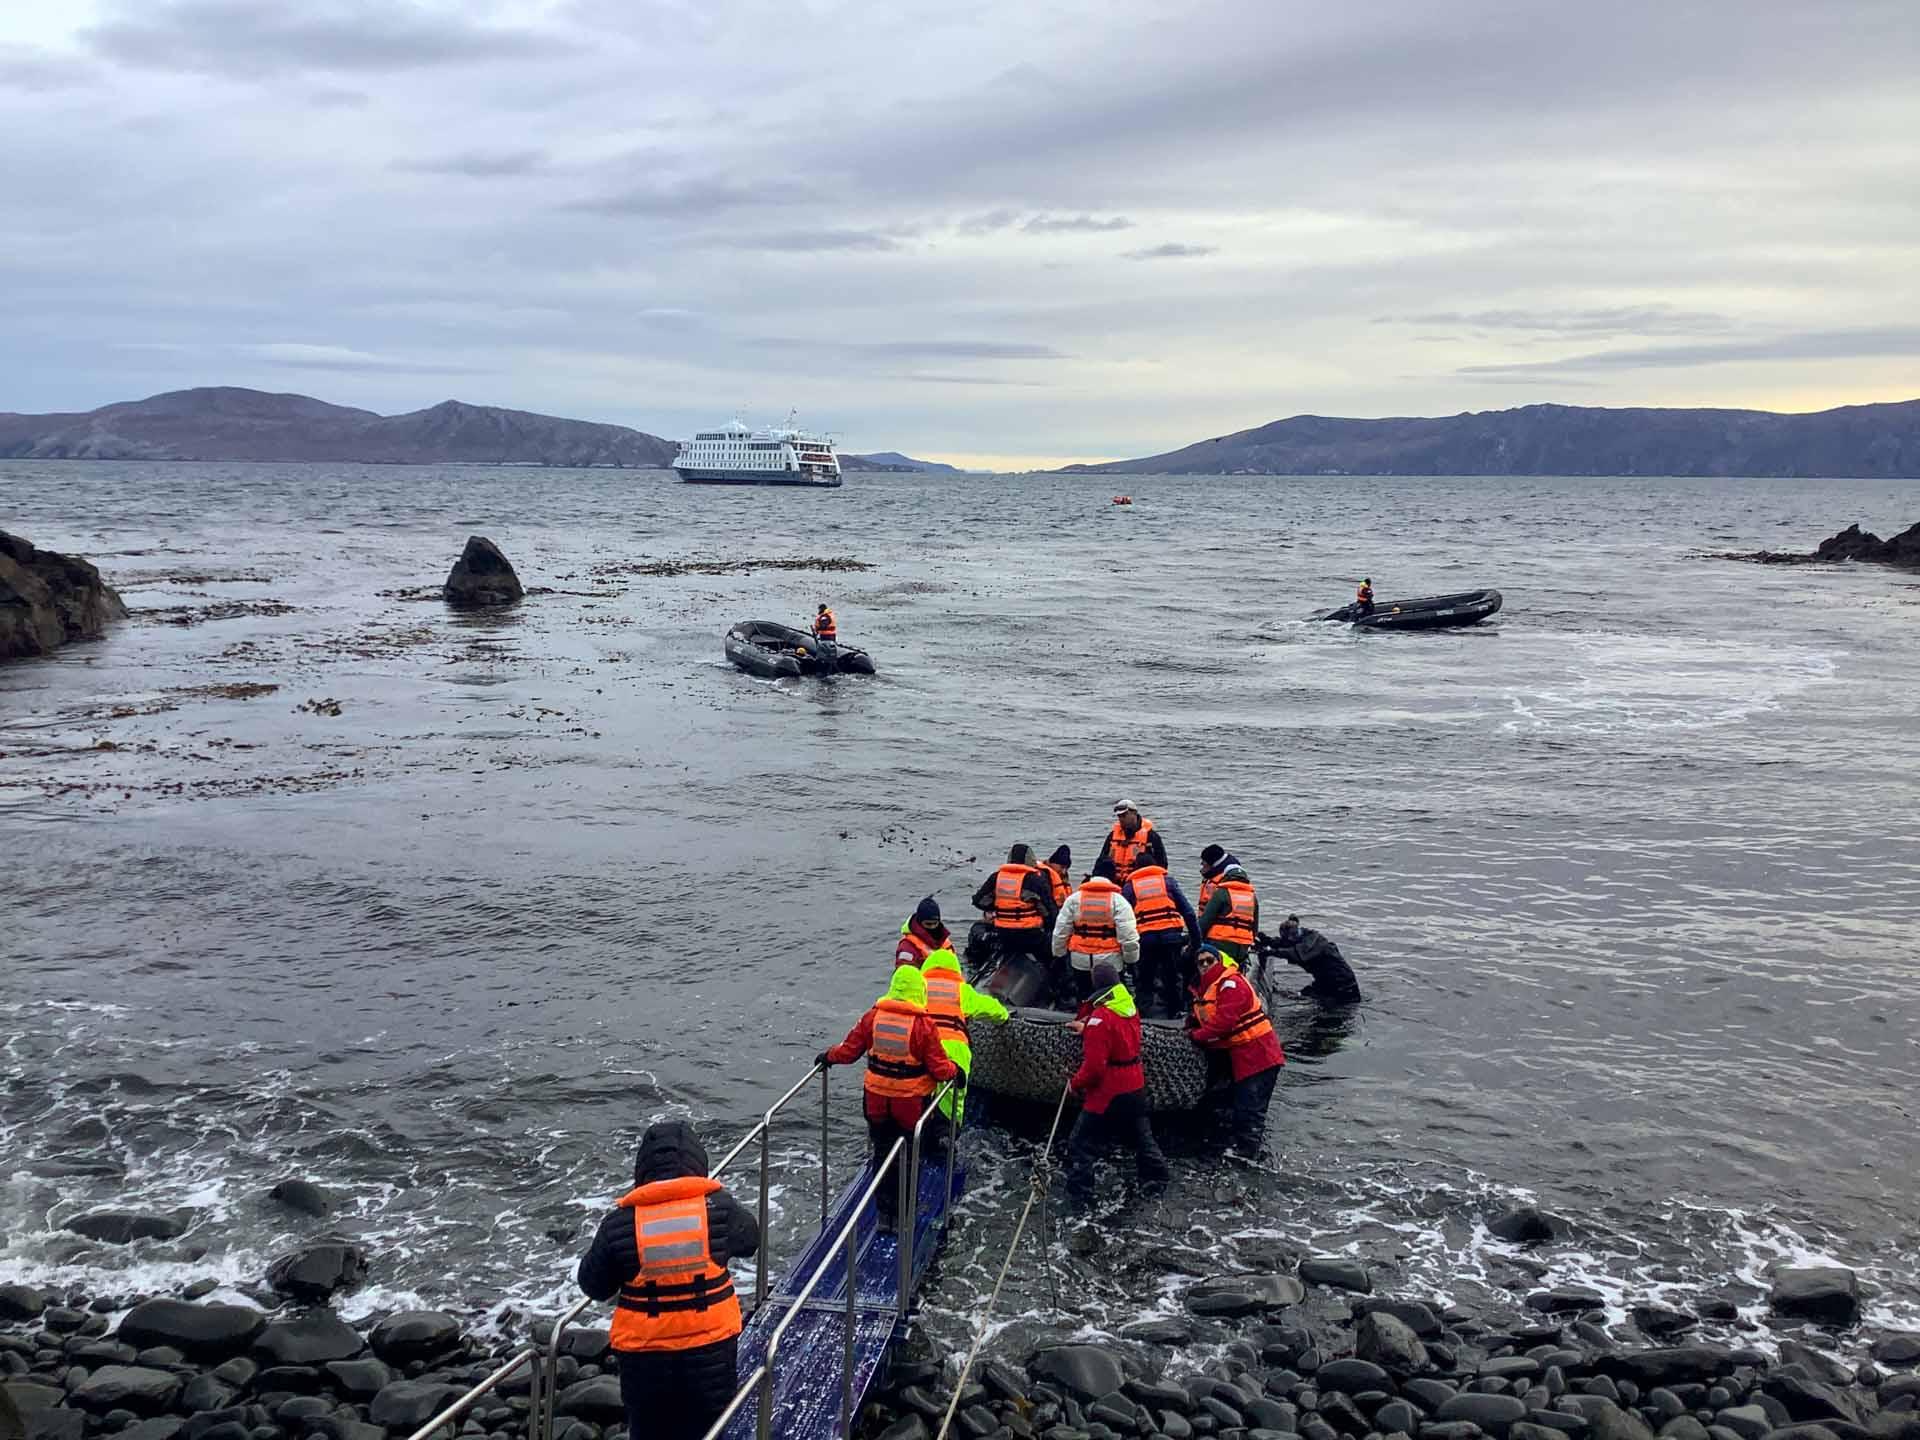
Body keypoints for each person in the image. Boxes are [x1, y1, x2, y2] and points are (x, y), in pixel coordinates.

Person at [577, 1120, 760, 1440]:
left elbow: (593, 1285)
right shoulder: (719, 1209)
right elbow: (750, 1242)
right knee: (713, 1428)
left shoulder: (620, 1223)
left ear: (642, 1169)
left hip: (645, 1360)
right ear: (697, 1163)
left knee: (650, 1431)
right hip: (711, 1352)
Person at [818, 966, 959, 1228]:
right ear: (920, 992)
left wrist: (828, 1056)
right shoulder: (924, 1026)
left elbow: (848, 1052)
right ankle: (905, 1213)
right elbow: (940, 1069)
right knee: (908, 1156)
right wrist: (956, 1071)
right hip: (911, 1105)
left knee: (882, 1154)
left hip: (876, 1101)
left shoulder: (872, 1017)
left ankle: (885, 1215)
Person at [1064, 961, 1170, 1204]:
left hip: (1109, 1091)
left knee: (1079, 1143)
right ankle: (1158, 1181)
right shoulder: (1128, 1007)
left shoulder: (1100, 1019)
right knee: (1143, 1137)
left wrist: (1075, 1084)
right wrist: (1087, 1027)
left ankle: (1081, 1199)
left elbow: (1094, 1068)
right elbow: (1115, 1030)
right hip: (1135, 1084)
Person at [1187, 947, 1286, 1158]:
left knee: (1250, 1109)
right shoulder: (1203, 991)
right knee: (1236, 1105)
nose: (1205, 965)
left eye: (1209, 960)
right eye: (1200, 962)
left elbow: (1223, 1023)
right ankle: (1240, 1145)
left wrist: (1195, 1036)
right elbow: (1200, 1018)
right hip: (1241, 1057)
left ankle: (1248, 1154)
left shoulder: (1232, 984)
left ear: (1219, 960)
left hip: (1260, 1056)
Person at [921, 941, 1010, 1125]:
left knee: (920, 1092)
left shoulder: (918, 988)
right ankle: (948, 1134)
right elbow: (990, 1008)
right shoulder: (961, 991)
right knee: (952, 1101)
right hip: (954, 1050)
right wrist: (1004, 1017)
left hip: (923, 1047)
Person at [1122, 859, 1199, 1018]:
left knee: (1144, 980)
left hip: (1145, 940)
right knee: (1172, 978)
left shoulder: (1130, 887)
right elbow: (1189, 913)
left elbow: (1124, 919)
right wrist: (1196, 941)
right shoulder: (1168, 882)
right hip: (1171, 938)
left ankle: (1142, 1016)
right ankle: (1175, 1014)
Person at [1051, 873, 1139, 1003]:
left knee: (1083, 993)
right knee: (1111, 996)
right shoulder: (1118, 901)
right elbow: (1128, 936)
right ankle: (1108, 1019)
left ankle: (1083, 1016)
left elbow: (1061, 931)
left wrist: (1059, 954)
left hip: (1080, 958)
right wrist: (1131, 960)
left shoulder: (1074, 899)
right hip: (1110, 960)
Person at [970, 844, 1060, 969]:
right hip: (1031, 936)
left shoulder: (996, 877)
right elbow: (1050, 912)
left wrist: (999, 907)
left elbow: (978, 901)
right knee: (1055, 953)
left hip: (1004, 935)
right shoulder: (1035, 880)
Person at [1261, 915, 1362, 1003]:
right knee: (1296, 996)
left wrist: (1271, 952)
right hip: (1324, 982)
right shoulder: (1303, 937)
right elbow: (1285, 944)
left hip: (1344, 987)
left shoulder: (1313, 943)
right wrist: (1266, 940)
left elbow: (1295, 953)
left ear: (1294, 936)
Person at [1196, 846, 1258, 966]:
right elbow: (1254, 928)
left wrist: (1192, 940)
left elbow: (1205, 921)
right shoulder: (1252, 897)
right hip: (1243, 947)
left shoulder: (1222, 893)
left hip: (1219, 942)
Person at [1094, 800, 1168, 885]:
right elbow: (1101, 861)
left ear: (1134, 813)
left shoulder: (1151, 836)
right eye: (1119, 816)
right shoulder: (1112, 836)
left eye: (1124, 815)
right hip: (1115, 883)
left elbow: (1162, 864)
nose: (1121, 819)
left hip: (1139, 883)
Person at [893, 895, 952, 969]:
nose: (932, 927)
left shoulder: (945, 942)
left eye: (935, 923)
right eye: (928, 924)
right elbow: (905, 974)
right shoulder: (907, 946)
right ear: (920, 922)